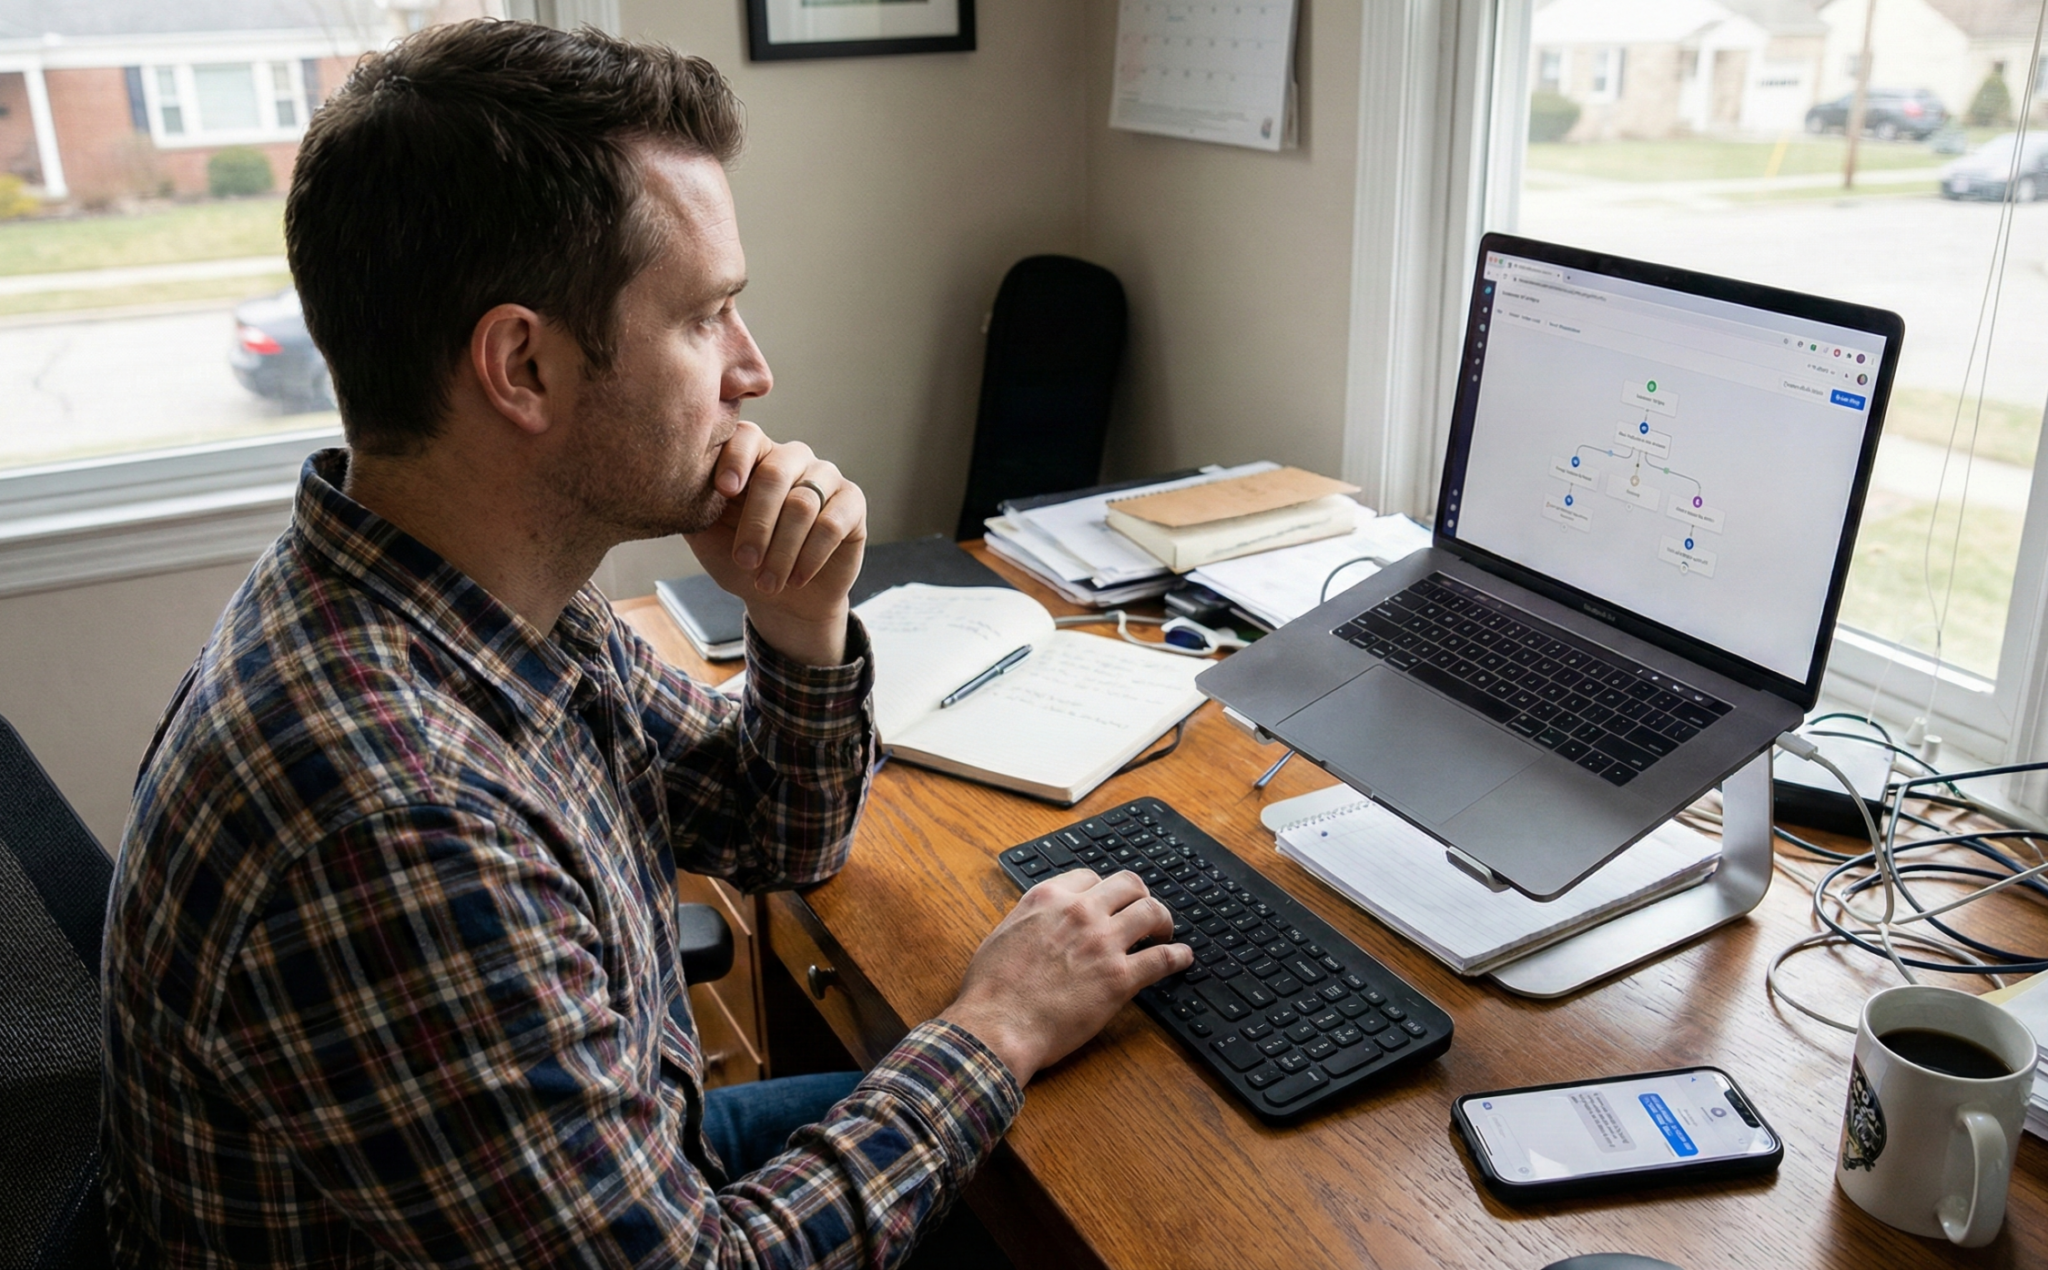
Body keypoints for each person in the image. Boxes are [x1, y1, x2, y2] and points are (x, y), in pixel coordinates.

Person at [100, 21, 1191, 1267]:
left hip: (625, 1169)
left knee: (1084, 1128)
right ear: (523, 365)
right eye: (707, 316)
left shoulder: (485, 594)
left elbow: (776, 833)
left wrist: (797, 620)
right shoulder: (388, 807)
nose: (754, 370)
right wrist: (996, 1024)